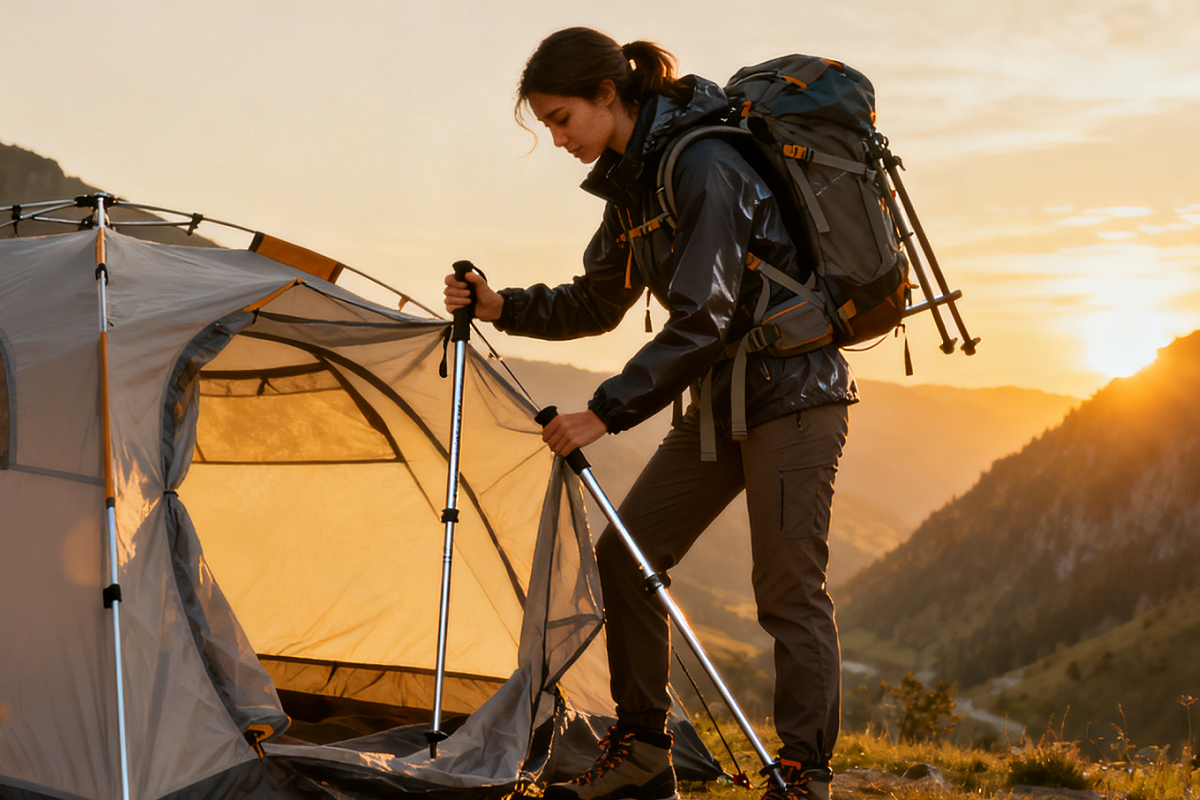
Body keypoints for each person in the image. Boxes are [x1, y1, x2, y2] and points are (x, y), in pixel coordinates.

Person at [444, 27, 856, 800]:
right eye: (548, 125)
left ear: (608, 96)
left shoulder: (703, 164)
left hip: (796, 394)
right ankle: (641, 752)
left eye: (562, 119)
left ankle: (804, 774)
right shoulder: (635, 187)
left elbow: (702, 314)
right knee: (627, 562)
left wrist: (605, 411)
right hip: (721, 399)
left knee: (787, 589)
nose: (558, 139)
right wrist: (500, 305)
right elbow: (598, 300)